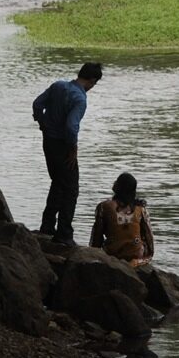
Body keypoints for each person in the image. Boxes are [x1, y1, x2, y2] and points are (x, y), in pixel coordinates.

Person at [32, 62, 103, 246]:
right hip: (63, 146)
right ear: (92, 81)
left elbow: (37, 104)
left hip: (48, 142)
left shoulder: (58, 86)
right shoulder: (79, 98)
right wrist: (73, 149)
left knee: (57, 182)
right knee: (71, 189)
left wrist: (42, 123)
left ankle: (47, 225)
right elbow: (71, 127)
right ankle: (64, 233)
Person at [90, 172, 154, 267]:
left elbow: (96, 241)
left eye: (116, 181)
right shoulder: (141, 209)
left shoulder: (103, 206)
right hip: (136, 256)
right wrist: (141, 260)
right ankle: (135, 262)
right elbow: (150, 242)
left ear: (118, 187)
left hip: (112, 255)